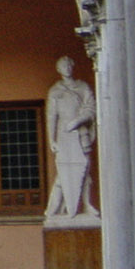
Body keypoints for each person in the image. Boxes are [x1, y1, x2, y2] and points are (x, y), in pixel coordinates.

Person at [45, 56, 99, 218]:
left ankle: (87, 204)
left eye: (69, 65)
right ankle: (54, 207)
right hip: (64, 136)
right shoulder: (55, 91)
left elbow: (91, 109)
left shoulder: (83, 87)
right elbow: (51, 116)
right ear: (58, 69)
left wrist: (77, 121)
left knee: (85, 169)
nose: (67, 68)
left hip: (80, 132)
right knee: (63, 171)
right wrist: (51, 140)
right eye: (63, 66)